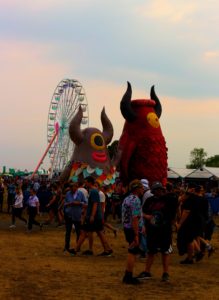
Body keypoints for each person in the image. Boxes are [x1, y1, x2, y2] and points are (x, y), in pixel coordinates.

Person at [138, 181, 178, 282]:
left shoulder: (169, 200)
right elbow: (143, 212)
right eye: (156, 190)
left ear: (163, 190)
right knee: (151, 251)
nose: (158, 192)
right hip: (152, 230)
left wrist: (173, 225)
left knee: (165, 251)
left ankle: (166, 273)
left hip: (165, 230)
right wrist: (147, 218)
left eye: (160, 189)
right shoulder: (149, 200)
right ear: (153, 191)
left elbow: (174, 213)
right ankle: (147, 271)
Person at [71, 176, 113, 256]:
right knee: (99, 233)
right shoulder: (93, 191)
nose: (85, 183)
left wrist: (92, 216)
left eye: (86, 182)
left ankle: (76, 249)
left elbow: (95, 204)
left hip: (93, 216)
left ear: (90, 182)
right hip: (96, 216)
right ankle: (108, 249)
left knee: (84, 232)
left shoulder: (93, 191)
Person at [122, 179, 144, 285]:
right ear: (137, 189)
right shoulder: (136, 200)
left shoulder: (127, 199)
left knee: (132, 251)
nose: (143, 189)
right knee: (132, 252)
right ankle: (128, 275)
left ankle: (128, 274)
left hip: (127, 227)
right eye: (141, 187)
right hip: (132, 228)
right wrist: (136, 234)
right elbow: (135, 218)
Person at [63, 182, 87, 253]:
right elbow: (65, 203)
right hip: (69, 215)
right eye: (72, 188)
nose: (74, 189)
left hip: (77, 215)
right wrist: (69, 204)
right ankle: (66, 247)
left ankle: (77, 247)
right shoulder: (68, 194)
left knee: (78, 232)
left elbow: (85, 203)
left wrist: (79, 203)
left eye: (75, 187)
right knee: (68, 232)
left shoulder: (80, 194)